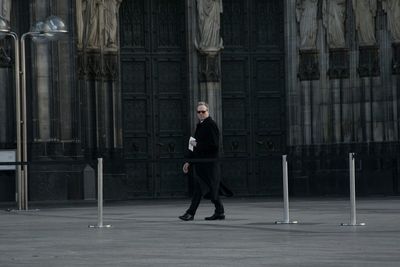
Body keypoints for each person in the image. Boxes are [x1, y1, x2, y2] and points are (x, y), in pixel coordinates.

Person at [179, 102, 231, 221]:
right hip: (202, 163)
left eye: (204, 111)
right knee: (204, 188)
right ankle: (218, 212)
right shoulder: (200, 125)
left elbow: (214, 145)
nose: (201, 114)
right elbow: (194, 147)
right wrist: (188, 162)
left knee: (207, 188)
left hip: (209, 164)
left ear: (208, 112)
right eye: (199, 112)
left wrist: (198, 144)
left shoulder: (211, 125)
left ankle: (191, 213)